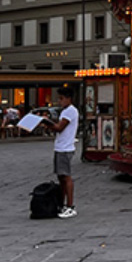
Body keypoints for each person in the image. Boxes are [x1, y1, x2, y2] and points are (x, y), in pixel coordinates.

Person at [48, 87, 80, 218]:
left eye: (61, 98)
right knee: (61, 176)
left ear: (69, 99)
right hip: (61, 146)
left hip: (65, 148)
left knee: (66, 176)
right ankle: (62, 203)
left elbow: (59, 127)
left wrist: (46, 122)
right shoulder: (66, 111)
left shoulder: (70, 111)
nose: (59, 101)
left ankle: (70, 206)